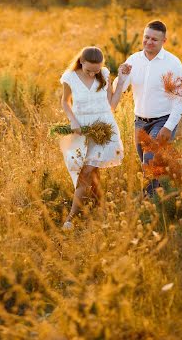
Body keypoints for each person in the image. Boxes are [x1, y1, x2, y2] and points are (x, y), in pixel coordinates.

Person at [113, 20, 182, 196]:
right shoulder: (134, 60)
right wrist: (121, 77)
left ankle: (150, 202)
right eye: (146, 37)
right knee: (148, 165)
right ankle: (162, 195)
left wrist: (169, 126)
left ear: (164, 41)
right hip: (139, 121)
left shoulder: (173, 63)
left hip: (162, 120)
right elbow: (120, 89)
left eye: (154, 39)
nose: (149, 42)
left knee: (149, 160)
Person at [59, 46, 129, 230]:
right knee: (92, 172)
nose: (92, 74)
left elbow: (111, 106)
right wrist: (72, 120)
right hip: (82, 131)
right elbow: (65, 102)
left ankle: (70, 218)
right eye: (88, 70)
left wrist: (120, 82)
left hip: (104, 129)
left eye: (95, 71)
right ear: (81, 62)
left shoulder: (104, 74)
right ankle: (100, 208)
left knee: (87, 172)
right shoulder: (70, 77)